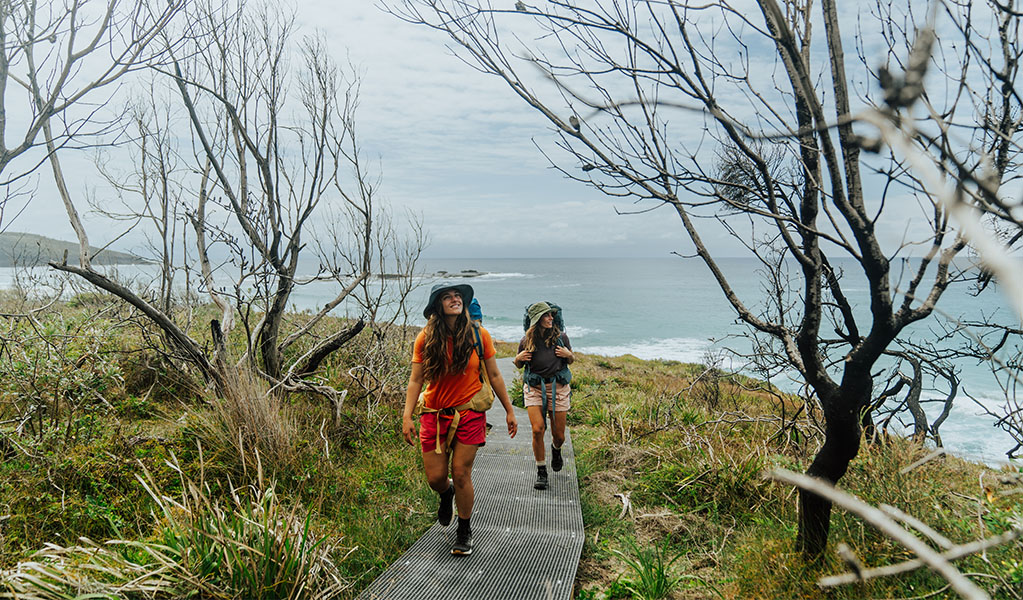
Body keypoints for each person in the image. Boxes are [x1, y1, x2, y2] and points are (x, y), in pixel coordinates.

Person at [403, 282, 518, 556]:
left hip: (470, 413)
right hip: (434, 414)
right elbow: (416, 379)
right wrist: (407, 415)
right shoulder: (425, 338)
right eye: (447, 297)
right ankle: (446, 494)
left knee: (461, 472)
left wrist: (510, 410)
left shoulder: (479, 335)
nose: (455, 299)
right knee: (436, 478)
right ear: (438, 306)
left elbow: (495, 375)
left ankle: (464, 530)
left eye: (458, 296)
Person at [513, 301, 574, 491]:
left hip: (559, 388)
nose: (551, 318)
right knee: (537, 429)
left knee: (559, 436)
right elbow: (518, 365)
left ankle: (556, 450)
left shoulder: (562, 338)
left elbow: (571, 360)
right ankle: (541, 471)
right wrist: (517, 359)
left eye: (552, 315)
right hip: (534, 388)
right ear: (537, 319)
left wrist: (568, 354)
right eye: (546, 315)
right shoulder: (526, 340)